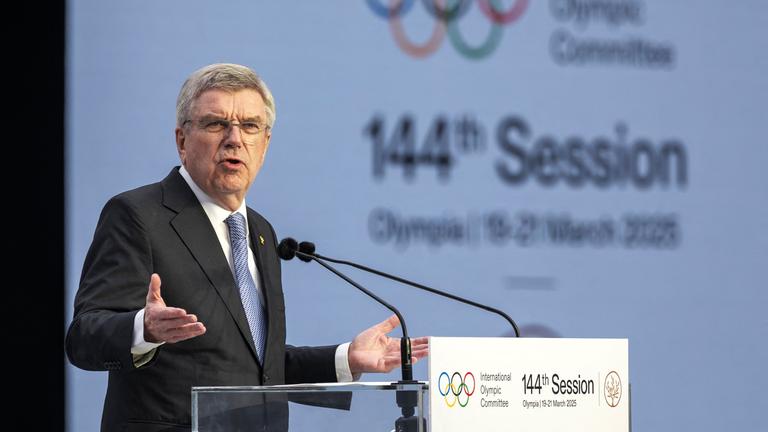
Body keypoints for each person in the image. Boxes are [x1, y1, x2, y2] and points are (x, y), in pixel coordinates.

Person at [65, 63, 428, 431]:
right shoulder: (138, 215)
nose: (234, 138)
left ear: (265, 143)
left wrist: (346, 359)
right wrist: (144, 329)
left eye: (250, 126)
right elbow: (83, 337)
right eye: (215, 123)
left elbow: (256, 368)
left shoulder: (260, 232)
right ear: (182, 141)